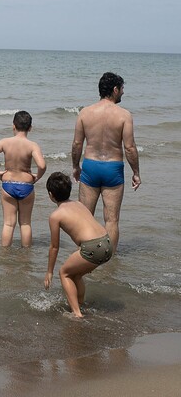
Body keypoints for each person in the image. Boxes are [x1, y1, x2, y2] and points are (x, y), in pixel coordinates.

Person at [71, 72, 141, 253]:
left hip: (90, 166)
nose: (123, 93)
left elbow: (77, 143)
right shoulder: (124, 115)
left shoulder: (85, 113)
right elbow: (130, 147)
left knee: (85, 216)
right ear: (115, 89)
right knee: (111, 220)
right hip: (113, 168)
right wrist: (136, 173)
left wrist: (75, 166)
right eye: (122, 89)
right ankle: (109, 260)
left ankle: (84, 255)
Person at [44, 171, 113, 318]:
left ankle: (76, 314)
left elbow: (54, 247)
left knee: (64, 273)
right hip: (107, 242)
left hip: (92, 247)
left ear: (51, 195)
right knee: (76, 274)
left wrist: (49, 271)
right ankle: (80, 304)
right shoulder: (79, 204)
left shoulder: (55, 215)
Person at [0, 111, 47, 247]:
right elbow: (42, 165)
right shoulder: (32, 145)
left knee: (8, 223)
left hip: (8, 184)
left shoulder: (5, 142)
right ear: (30, 127)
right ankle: (26, 255)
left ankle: (5, 254)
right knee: (25, 223)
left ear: (13, 126)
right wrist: (37, 177)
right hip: (26, 186)